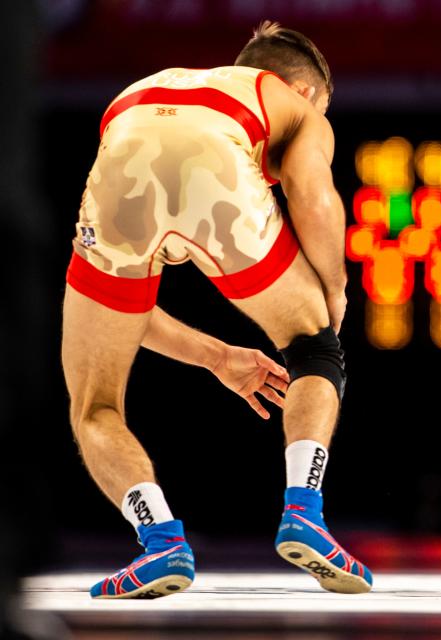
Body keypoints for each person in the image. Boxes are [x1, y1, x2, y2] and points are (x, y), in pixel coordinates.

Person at [62, 21, 372, 599]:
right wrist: (334, 286)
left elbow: (125, 313)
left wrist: (214, 357)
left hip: (121, 167)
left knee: (95, 404)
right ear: (304, 91)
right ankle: (303, 510)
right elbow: (311, 192)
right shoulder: (295, 106)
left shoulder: (145, 89)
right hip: (220, 174)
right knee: (314, 348)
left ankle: (160, 543)